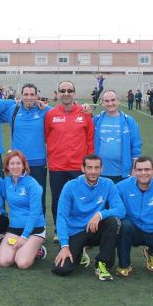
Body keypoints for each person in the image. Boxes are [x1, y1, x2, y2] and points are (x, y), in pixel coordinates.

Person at [52, 154, 125, 281]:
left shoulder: (108, 184)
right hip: (75, 232)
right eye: (89, 167)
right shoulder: (70, 186)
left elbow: (121, 210)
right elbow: (62, 217)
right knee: (61, 269)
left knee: (113, 222)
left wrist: (100, 214)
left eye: (97, 168)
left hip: (95, 228)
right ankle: (80, 251)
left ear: (102, 169)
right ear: (82, 168)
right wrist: (64, 246)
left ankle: (102, 265)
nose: (93, 171)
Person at [45, 81, 94, 238]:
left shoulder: (84, 113)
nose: (66, 93)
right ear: (58, 93)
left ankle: (80, 230)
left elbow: (90, 139)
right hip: (57, 166)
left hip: (78, 166)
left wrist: (89, 164)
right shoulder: (51, 114)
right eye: (62, 90)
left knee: (80, 200)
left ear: (74, 93)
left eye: (69, 90)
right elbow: (47, 137)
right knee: (58, 200)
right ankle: (59, 231)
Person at [1, 83, 50, 213]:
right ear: (21, 96)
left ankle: (40, 230)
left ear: (37, 96)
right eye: (26, 94)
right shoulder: (13, 109)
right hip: (18, 164)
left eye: (32, 94)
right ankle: (20, 227)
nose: (29, 97)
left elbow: (61, 113)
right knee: (19, 198)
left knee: (38, 197)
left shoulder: (45, 110)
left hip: (38, 162)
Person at [0, 151, 47, 270]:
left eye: (18, 163)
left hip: (34, 229)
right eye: (12, 164)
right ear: (7, 166)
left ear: (24, 165)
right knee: (3, 261)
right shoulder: (6, 182)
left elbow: (35, 213)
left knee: (21, 263)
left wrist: (24, 236)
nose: (15, 167)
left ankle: (38, 250)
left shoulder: (32, 184)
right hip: (14, 229)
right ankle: (26, 248)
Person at [93, 90, 142, 183]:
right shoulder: (96, 120)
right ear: (102, 103)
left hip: (122, 174)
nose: (110, 103)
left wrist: (135, 169)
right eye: (106, 101)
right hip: (99, 172)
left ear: (118, 100)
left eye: (113, 100)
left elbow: (136, 147)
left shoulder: (129, 121)